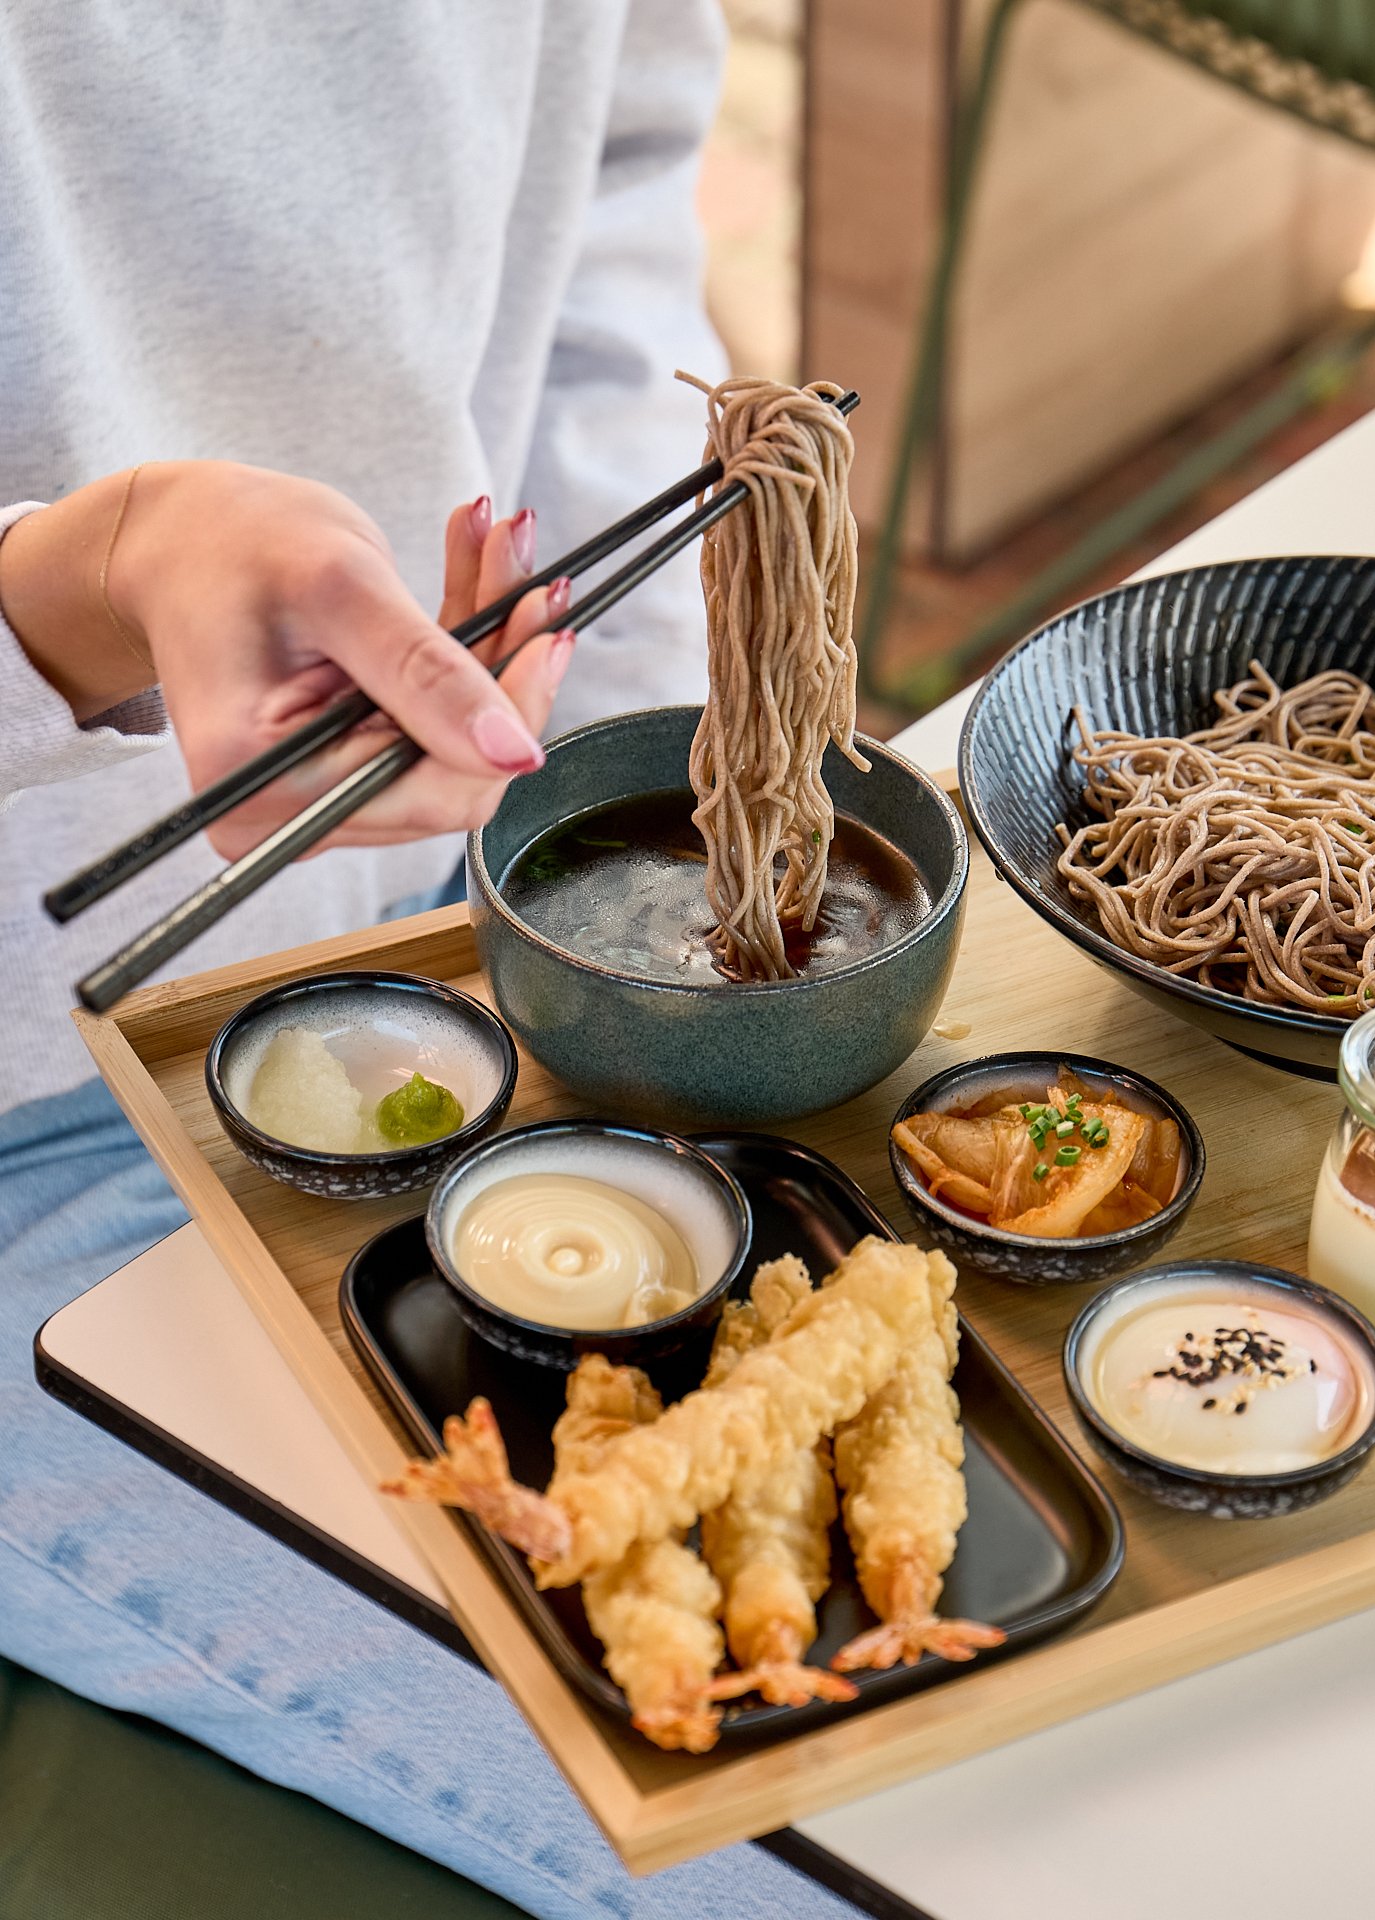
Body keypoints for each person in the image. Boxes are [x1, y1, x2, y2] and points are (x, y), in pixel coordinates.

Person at [0, 4, 865, 1914]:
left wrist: (647, 864)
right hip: (31, 1136)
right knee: (811, 1837)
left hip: (450, 980)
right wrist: (66, 593)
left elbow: (607, 279)